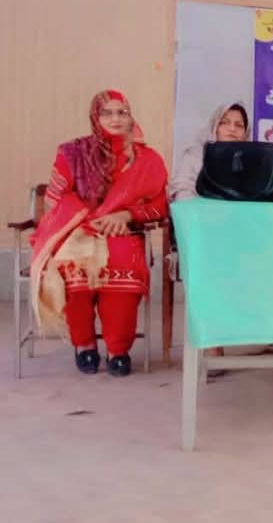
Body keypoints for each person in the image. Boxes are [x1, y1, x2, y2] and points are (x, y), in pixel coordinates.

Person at [30, 90, 169, 377]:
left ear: (130, 117)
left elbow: (159, 205)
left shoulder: (147, 159)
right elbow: (56, 199)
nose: (116, 119)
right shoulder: (73, 154)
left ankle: (118, 349)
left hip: (122, 232)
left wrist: (126, 215)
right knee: (72, 268)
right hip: (77, 231)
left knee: (123, 264)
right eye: (107, 112)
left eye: (122, 112)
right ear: (95, 117)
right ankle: (84, 344)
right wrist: (88, 218)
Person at [169, 102, 250, 202]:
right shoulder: (195, 155)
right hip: (199, 210)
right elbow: (182, 192)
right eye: (224, 122)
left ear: (245, 132)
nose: (232, 129)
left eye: (239, 125)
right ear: (214, 127)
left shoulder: (251, 161)